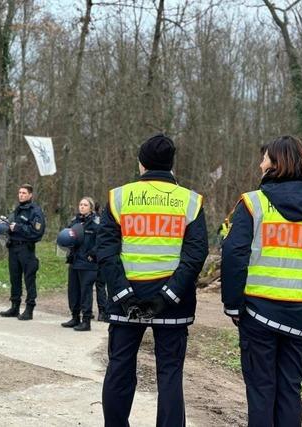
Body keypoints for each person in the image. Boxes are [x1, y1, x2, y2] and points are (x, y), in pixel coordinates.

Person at [221, 135, 302, 427]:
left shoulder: (253, 203)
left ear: (276, 163)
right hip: (301, 315)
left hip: (259, 312)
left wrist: (232, 305)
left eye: (265, 158)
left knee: (261, 390)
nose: (260, 164)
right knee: (290, 391)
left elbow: (234, 256)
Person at [98, 134, 209, 426]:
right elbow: (195, 254)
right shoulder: (190, 201)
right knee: (170, 373)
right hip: (173, 302)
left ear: (141, 163)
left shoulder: (117, 197)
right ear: (172, 165)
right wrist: (168, 296)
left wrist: (122, 294)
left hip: (127, 301)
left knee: (120, 368)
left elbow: (106, 251)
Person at [0, 184, 45, 320]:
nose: (21, 195)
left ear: (30, 195)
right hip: (13, 248)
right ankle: (15, 307)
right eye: (19, 192)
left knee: (29, 279)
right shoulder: (17, 210)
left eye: (24, 193)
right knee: (15, 278)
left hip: (26, 249)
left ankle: (29, 308)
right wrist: (4, 225)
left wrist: (18, 228)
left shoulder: (35, 211)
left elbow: (37, 232)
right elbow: (11, 226)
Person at [60, 197, 100, 331]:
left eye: (85, 205)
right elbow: (67, 238)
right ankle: (75, 317)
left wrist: (92, 254)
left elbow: (101, 242)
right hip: (74, 261)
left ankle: (86, 321)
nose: (82, 207)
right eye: (80, 204)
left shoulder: (96, 223)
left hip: (88, 265)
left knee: (85, 292)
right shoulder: (74, 222)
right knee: (73, 291)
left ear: (91, 207)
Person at [93, 202, 108, 321]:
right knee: (99, 285)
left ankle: (103, 311)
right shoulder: (97, 221)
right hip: (94, 257)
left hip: (100, 258)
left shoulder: (100, 222)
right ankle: (102, 311)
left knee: (100, 285)